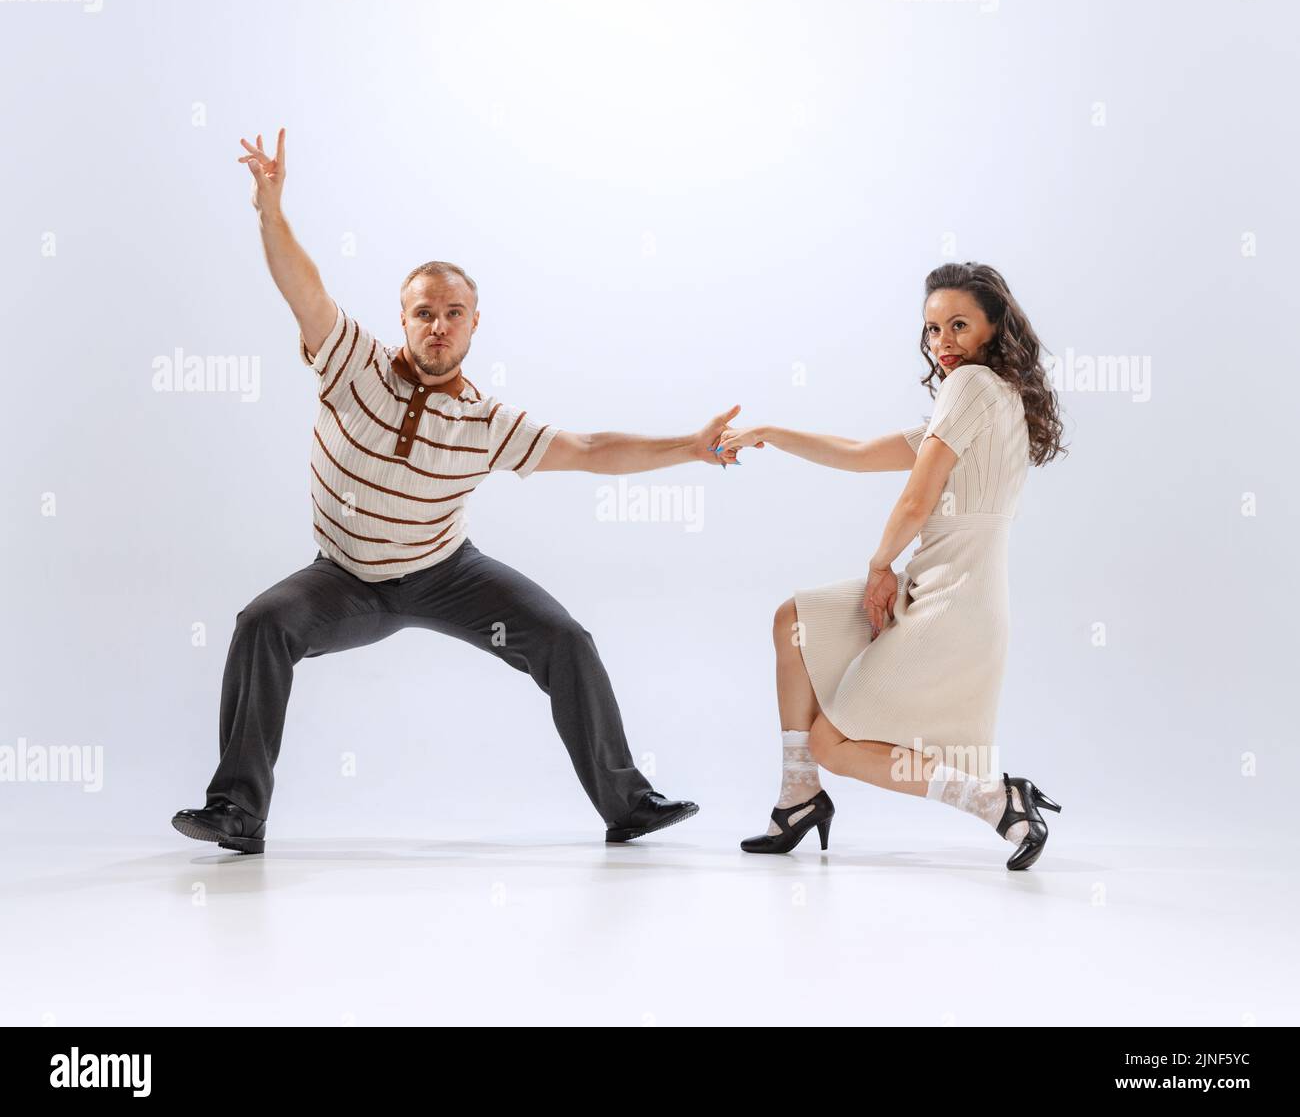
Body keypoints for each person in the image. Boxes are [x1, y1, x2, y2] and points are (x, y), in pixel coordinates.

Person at [171, 128, 739, 854]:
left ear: (473, 323)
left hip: (447, 576)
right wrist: (270, 209)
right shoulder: (350, 362)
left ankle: (629, 804)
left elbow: (591, 449)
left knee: (565, 640)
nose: (438, 326)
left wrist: (689, 447)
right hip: (345, 581)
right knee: (262, 623)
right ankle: (237, 813)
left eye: (453, 314)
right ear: (403, 318)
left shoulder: (486, 423)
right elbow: (303, 288)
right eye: (424, 313)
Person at [720, 262, 1067, 870]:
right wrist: (769, 432)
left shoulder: (971, 387)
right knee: (793, 620)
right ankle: (798, 797)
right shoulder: (991, 397)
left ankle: (995, 801)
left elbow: (916, 500)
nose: (943, 342)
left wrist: (881, 566)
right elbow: (858, 454)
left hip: (953, 599)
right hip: (945, 588)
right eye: (933, 329)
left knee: (834, 743)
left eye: (959, 325)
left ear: (994, 327)